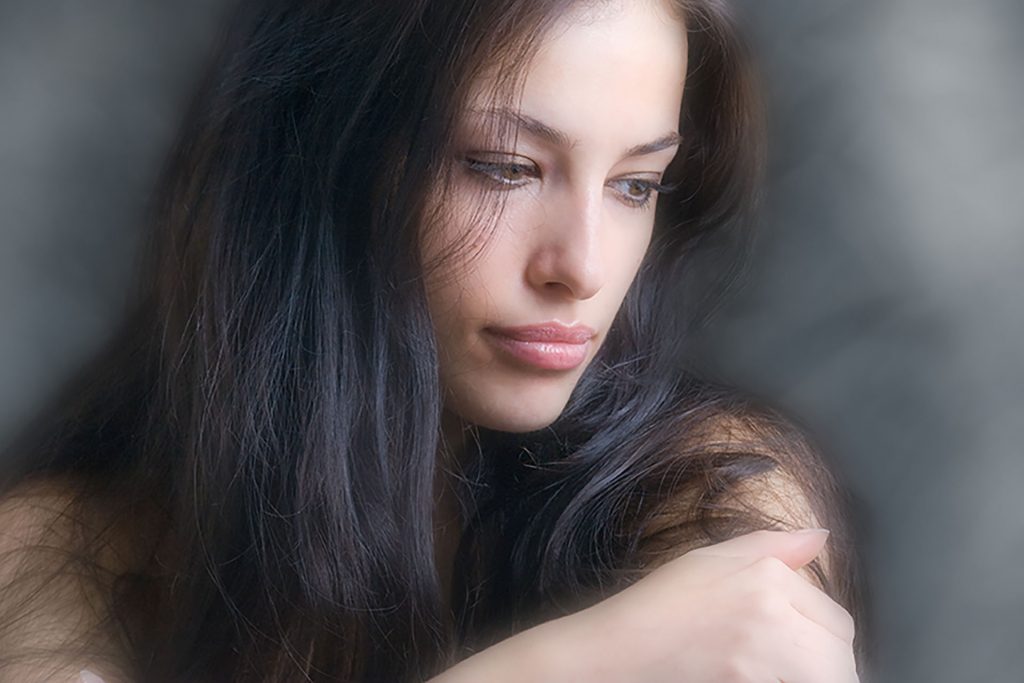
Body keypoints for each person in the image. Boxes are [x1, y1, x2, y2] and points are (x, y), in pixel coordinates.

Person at [0, 0, 871, 681]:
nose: (584, 267)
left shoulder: (708, 494)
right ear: (333, 162)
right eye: (504, 166)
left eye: (635, 184)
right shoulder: (63, 552)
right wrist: (566, 666)